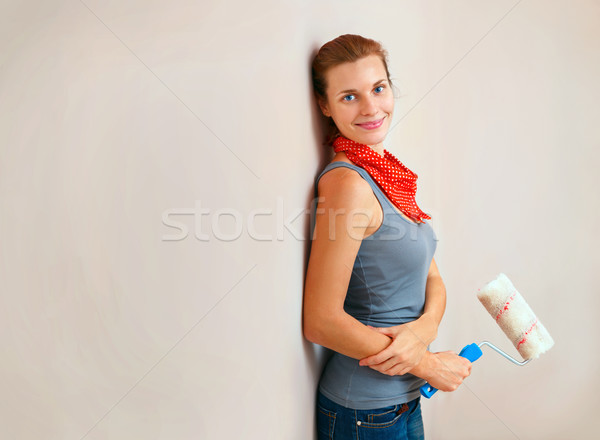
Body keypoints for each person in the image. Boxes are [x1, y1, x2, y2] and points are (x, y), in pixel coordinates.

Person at [303, 34, 472, 440]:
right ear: (325, 106)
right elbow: (321, 321)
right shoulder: (349, 184)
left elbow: (431, 278)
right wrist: (428, 364)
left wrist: (424, 332)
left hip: (402, 399)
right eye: (349, 97)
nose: (371, 108)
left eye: (378, 89)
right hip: (364, 411)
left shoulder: (386, 173)